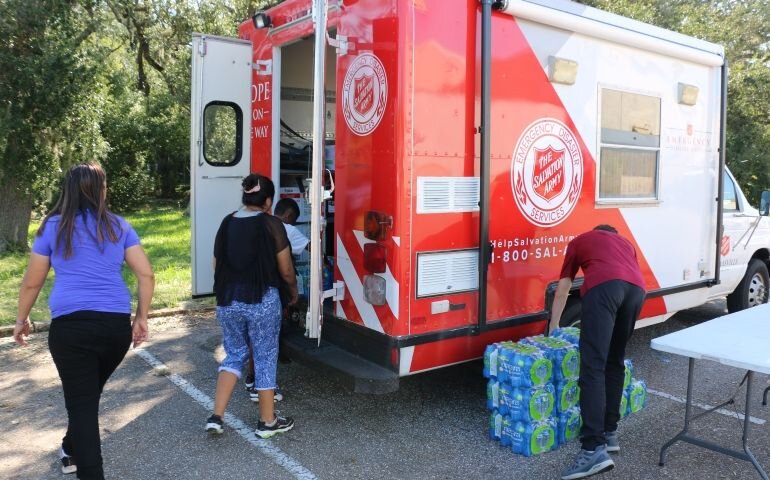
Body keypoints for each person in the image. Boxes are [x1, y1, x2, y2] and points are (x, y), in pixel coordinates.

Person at [13, 163, 154, 480]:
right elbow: (146, 273)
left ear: (68, 191)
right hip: (114, 328)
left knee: (82, 405)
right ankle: (69, 448)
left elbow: (32, 282)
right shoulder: (119, 226)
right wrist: (141, 317)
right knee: (86, 399)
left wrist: (21, 319)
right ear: (102, 190)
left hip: (71, 330)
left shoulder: (52, 227)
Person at [205, 173, 299, 439]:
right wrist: (292, 292)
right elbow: (286, 269)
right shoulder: (272, 225)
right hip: (263, 301)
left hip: (228, 300)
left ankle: (216, 416)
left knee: (234, 353)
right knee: (265, 355)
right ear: (268, 201)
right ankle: (268, 422)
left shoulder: (227, 222)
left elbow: (216, 264)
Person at [549, 224, 646, 480]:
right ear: (613, 234)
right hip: (637, 291)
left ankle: (593, 448)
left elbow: (562, 289)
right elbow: (629, 274)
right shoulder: (625, 243)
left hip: (604, 290)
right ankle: (609, 432)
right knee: (614, 362)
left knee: (592, 366)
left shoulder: (580, 240)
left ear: (596, 231)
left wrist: (554, 326)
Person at [243, 197, 309, 401]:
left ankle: (251, 379)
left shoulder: (257, 225)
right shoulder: (286, 229)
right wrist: (294, 290)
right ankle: (263, 389)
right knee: (267, 340)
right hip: (269, 289)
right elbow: (309, 250)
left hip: (246, 287)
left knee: (254, 336)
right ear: (289, 216)